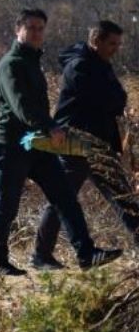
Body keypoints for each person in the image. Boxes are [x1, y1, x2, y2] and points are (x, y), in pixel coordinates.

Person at [0, 8, 122, 276]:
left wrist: (47, 130)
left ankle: (87, 254)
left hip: (37, 144)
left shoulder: (31, 62)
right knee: (7, 204)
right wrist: (50, 126)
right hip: (12, 145)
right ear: (18, 29)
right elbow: (22, 106)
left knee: (65, 198)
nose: (37, 33)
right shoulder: (12, 64)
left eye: (40, 28)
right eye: (31, 27)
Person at [31, 20, 139, 268]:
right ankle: (41, 255)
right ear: (96, 41)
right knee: (64, 198)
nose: (116, 48)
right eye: (112, 43)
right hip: (76, 145)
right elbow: (109, 101)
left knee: (122, 196)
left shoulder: (99, 64)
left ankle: (42, 254)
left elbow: (117, 99)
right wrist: (117, 98)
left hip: (98, 143)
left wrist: (117, 99)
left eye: (119, 43)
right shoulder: (81, 66)